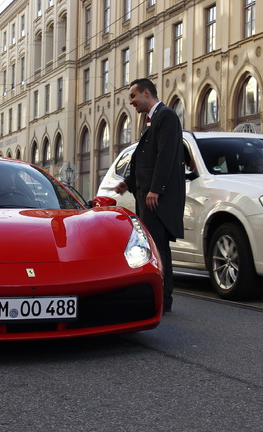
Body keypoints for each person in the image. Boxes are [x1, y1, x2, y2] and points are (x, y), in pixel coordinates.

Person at [114, 78, 186, 313]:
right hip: (147, 196)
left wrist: (156, 189)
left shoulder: (166, 116)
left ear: (147, 93)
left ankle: (164, 300)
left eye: (133, 96)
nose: (131, 102)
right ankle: (158, 298)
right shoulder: (153, 120)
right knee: (153, 247)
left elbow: (166, 157)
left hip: (157, 199)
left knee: (159, 248)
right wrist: (128, 183)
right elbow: (146, 159)